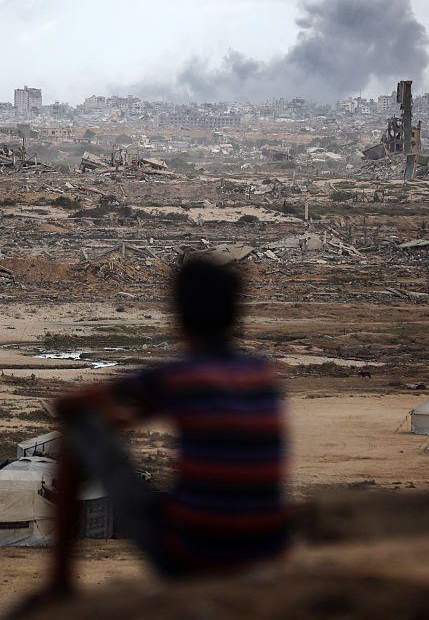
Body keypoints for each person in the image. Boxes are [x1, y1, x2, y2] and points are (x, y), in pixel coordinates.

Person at [41, 257, 289, 601]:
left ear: (180, 315)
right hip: (265, 548)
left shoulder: (178, 377)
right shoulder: (264, 376)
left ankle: (59, 583)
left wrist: (112, 413)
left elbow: (68, 405)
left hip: (191, 551)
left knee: (79, 429)